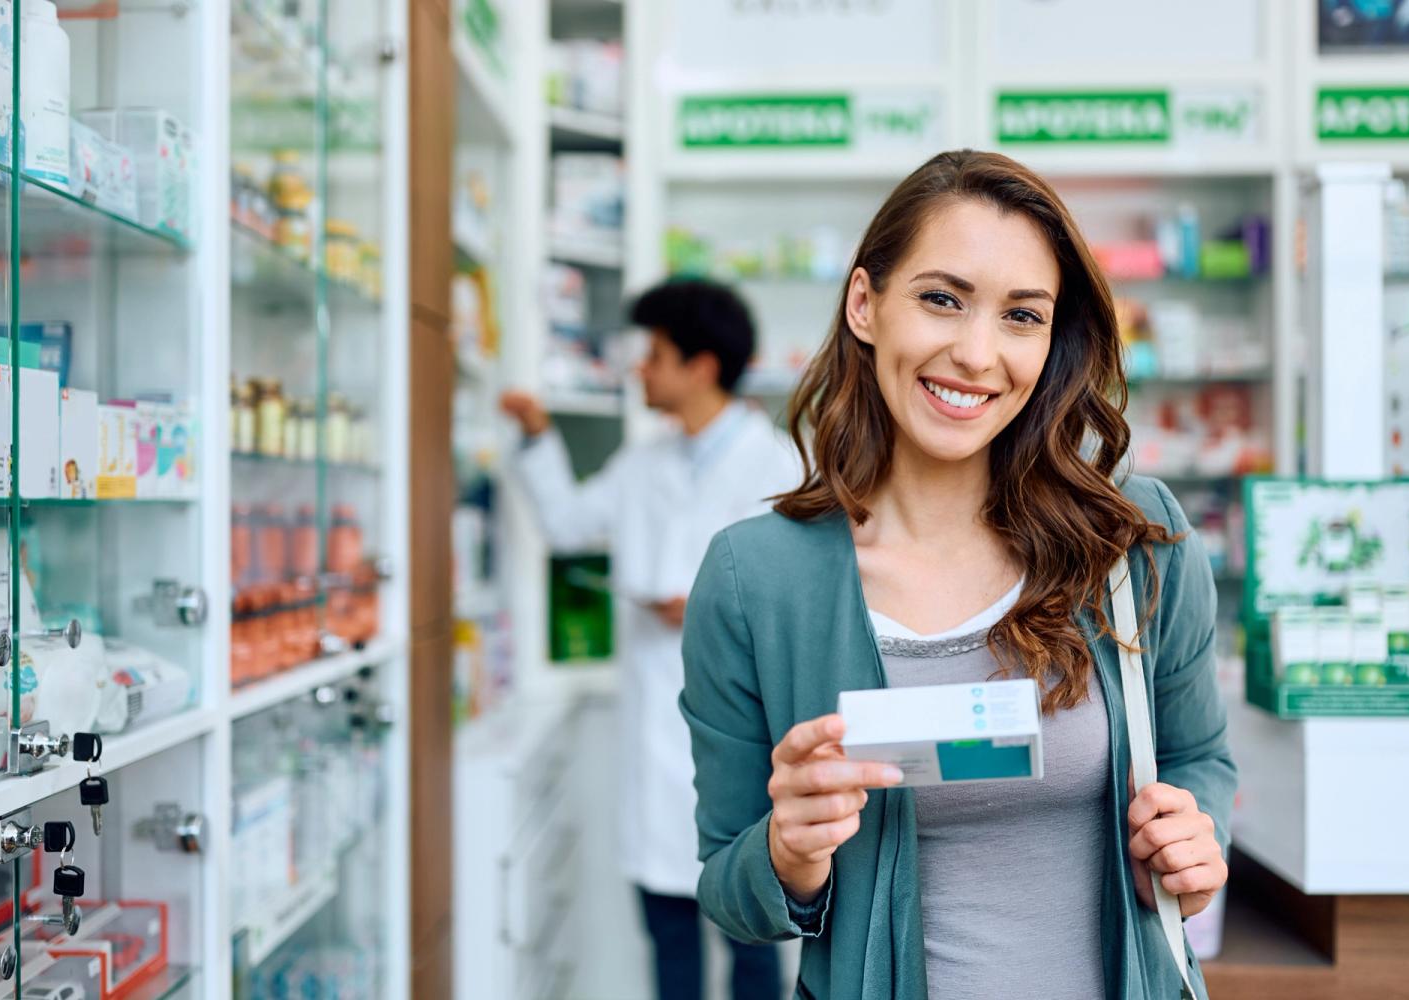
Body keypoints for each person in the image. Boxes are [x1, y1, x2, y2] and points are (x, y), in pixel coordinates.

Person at [680, 150, 1235, 1000]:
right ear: (865, 304)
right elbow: (728, 887)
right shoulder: (757, 579)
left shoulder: (1132, 538)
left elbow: (1197, 756)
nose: (978, 354)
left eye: (1022, 315)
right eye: (942, 299)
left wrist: (1199, 845)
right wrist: (788, 854)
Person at [501, 278, 799, 1000]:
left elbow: (800, 605)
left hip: (739, 739)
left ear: (700, 366)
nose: (640, 368)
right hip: (653, 733)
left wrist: (708, 606)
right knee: (668, 945)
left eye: (654, 354)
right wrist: (538, 436)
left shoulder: (779, 466)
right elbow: (570, 522)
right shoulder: (643, 464)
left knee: (753, 946)